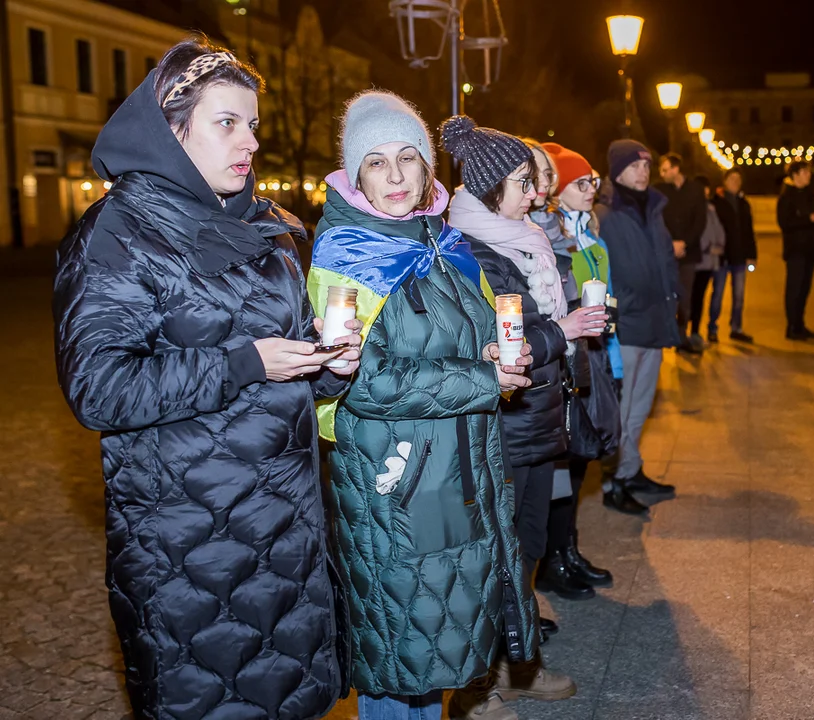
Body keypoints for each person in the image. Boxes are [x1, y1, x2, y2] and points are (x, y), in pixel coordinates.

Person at [53, 36, 362, 719]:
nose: (247, 140)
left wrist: (330, 366)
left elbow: (289, 365)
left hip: (289, 533)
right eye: (227, 122)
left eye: (252, 124)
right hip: (190, 549)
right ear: (172, 128)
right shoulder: (118, 234)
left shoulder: (271, 227)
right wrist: (245, 362)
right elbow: (99, 388)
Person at [308, 94, 542, 720]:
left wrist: (499, 355)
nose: (394, 175)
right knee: (399, 654)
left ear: (428, 168)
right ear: (354, 174)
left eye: (409, 158)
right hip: (398, 480)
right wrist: (484, 378)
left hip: (460, 473)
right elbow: (367, 382)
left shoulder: (446, 244)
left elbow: (483, 336)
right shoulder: (347, 257)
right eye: (376, 162)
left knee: (436, 646)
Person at [441, 115, 581, 714]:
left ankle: (516, 666)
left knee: (525, 545)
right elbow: (508, 332)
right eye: (523, 183)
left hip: (536, 416)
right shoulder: (474, 249)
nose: (535, 192)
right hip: (504, 423)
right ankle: (474, 690)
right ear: (489, 188)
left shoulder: (522, 237)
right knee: (490, 556)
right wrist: (565, 331)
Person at [534, 142, 625, 585]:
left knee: (583, 454)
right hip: (567, 355)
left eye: (594, 181)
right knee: (564, 463)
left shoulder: (592, 234)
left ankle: (568, 549)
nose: (591, 189)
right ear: (558, 190)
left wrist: (615, 358)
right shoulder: (549, 234)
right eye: (581, 182)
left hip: (596, 352)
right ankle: (555, 557)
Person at [596, 139, 681, 505]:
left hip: (655, 322)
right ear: (617, 171)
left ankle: (630, 470)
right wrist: (622, 311)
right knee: (622, 408)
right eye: (635, 166)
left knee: (641, 406)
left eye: (647, 165)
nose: (643, 172)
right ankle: (614, 482)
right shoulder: (606, 213)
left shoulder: (654, 209)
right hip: (627, 328)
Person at [657, 153, 707, 353]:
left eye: (665, 169)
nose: (662, 174)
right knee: (665, 295)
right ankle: (664, 334)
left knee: (685, 297)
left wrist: (685, 243)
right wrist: (670, 243)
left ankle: (681, 335)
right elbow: (657, 219)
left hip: (688, 253)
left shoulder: (696, 190)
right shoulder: (659, 190)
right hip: (666, 253)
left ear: (676, 169)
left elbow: (700, 221)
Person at [777, 161, 814, 340]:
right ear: (795, 175)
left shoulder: (808, 194)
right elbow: (785, 223)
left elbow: (811, 217)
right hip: (796, 250)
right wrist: (808, 218)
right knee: (795, 289)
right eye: (805, 172)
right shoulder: (786, 196)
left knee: (805, 288)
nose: (809, 175)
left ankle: (800, 324)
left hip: (810, 249)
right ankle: (791, 327)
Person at [711, 169, 758, 343]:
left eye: (738, 179)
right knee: (718, 294)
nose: (736, 182)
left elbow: (748, 231)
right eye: (732, 179)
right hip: (722, 257)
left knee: (739, 296)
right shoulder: (716, 203)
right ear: (725, 181)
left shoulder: (743, 203)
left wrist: (752, 255)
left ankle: (736, 327)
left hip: (739, 257)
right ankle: (712, 328)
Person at [688, 175, 726, 344]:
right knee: (691, 298)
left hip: (709, 262)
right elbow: (695, 233)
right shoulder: (691, 209)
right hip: (696, 261)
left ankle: (695, 330)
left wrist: (719, 246)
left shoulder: (710, 208)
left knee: (700, 297)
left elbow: (718, 230)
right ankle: (686, 332)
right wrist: (707, 248)